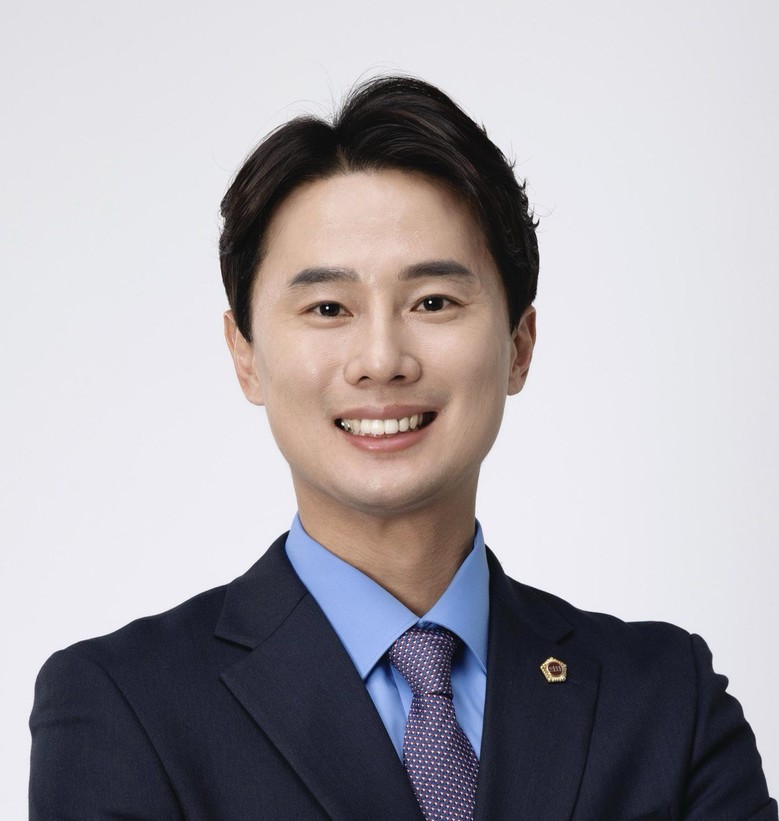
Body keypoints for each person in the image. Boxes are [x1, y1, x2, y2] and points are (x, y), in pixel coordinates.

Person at [29, 76, 776, 821]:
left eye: (433, 302)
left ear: (518, 346)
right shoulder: (121, 706)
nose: (381, 359)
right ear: (245, 354)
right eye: (328, 307)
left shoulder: (665, 700)